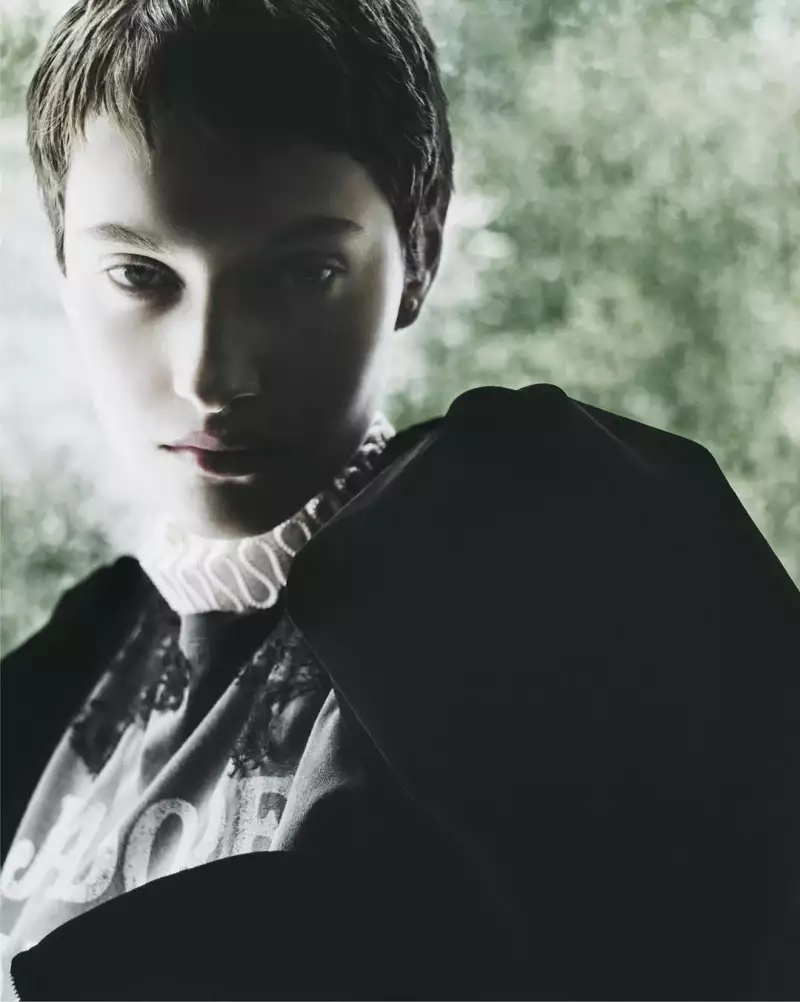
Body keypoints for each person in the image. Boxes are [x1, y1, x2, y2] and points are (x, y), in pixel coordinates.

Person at [2, 1, 799, 999]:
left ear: (418, 253)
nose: (212, 375)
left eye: (302, 273)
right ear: (64, 266)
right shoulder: (68, 668)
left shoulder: (548, 577)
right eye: (139, 274)